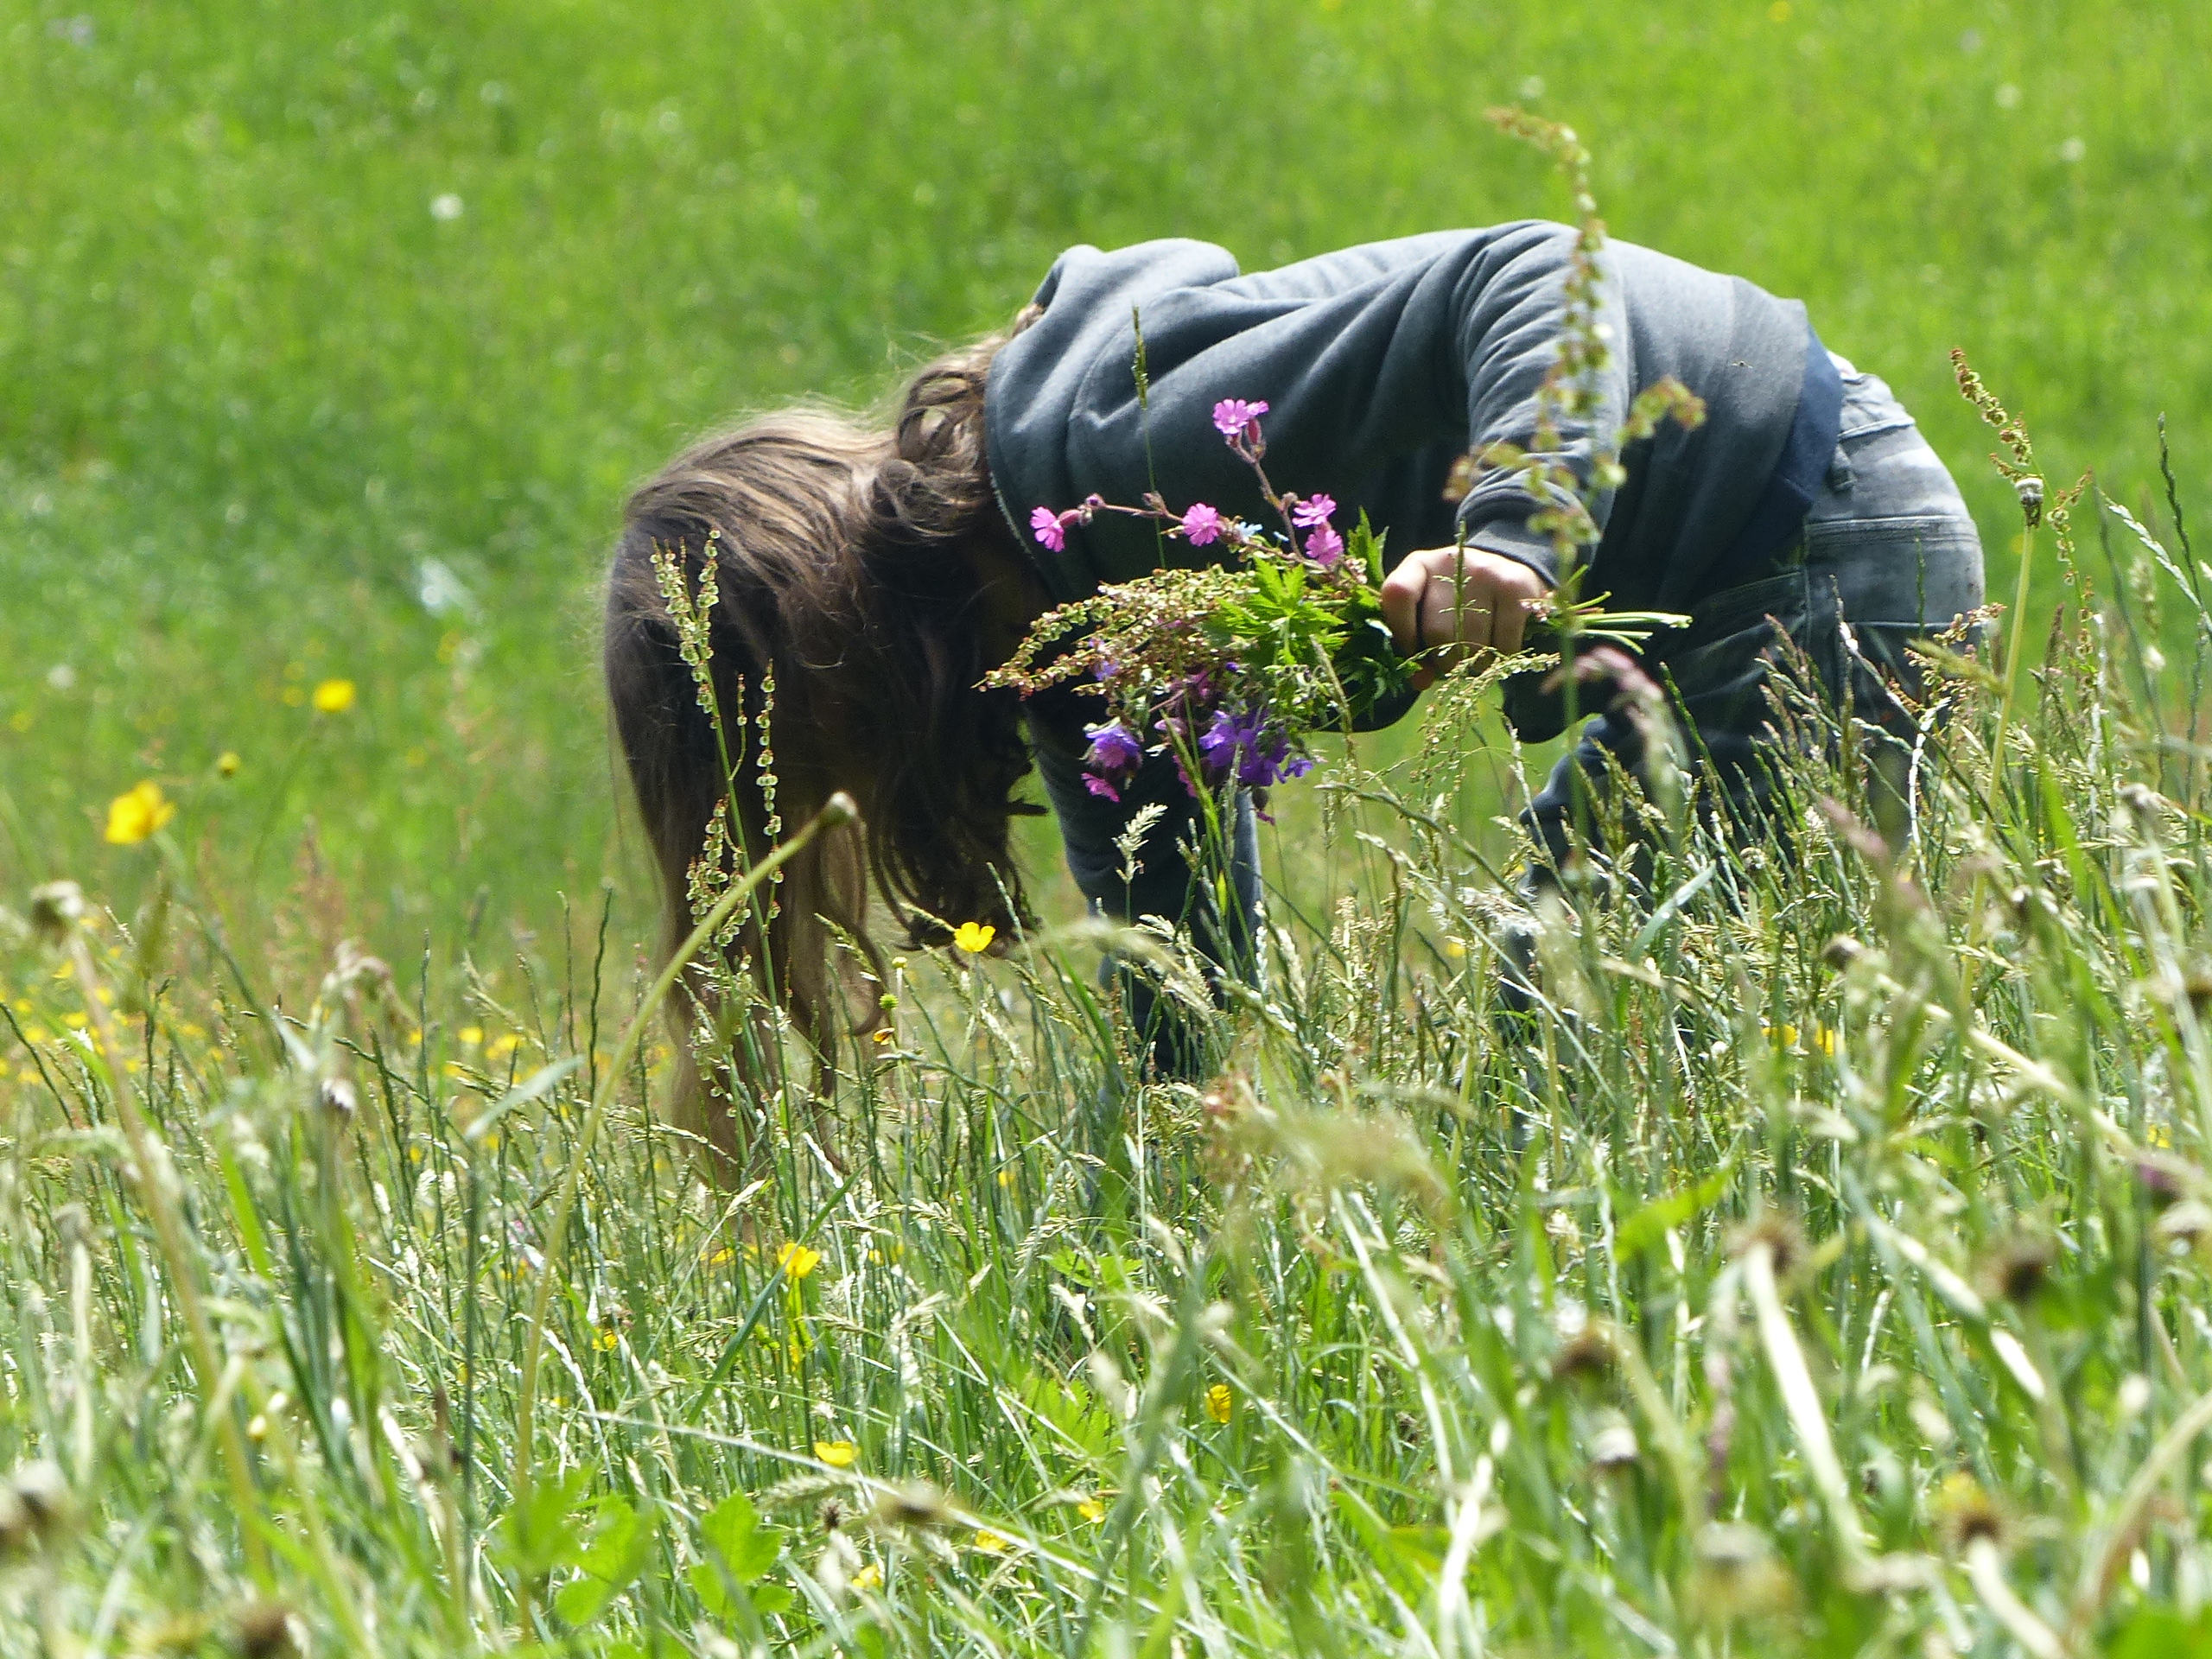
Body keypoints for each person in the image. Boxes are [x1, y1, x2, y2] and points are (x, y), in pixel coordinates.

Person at [603, 222, 1984, 1139]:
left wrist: (1513, 527)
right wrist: (1182, 1136)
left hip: (1819, 538)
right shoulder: (1073, 640)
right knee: (1568, 1056)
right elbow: (1174, 947)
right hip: (1751, 574)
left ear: (844, 682)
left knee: (1596, 1068)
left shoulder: (1109, 456)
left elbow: (1535, 272)